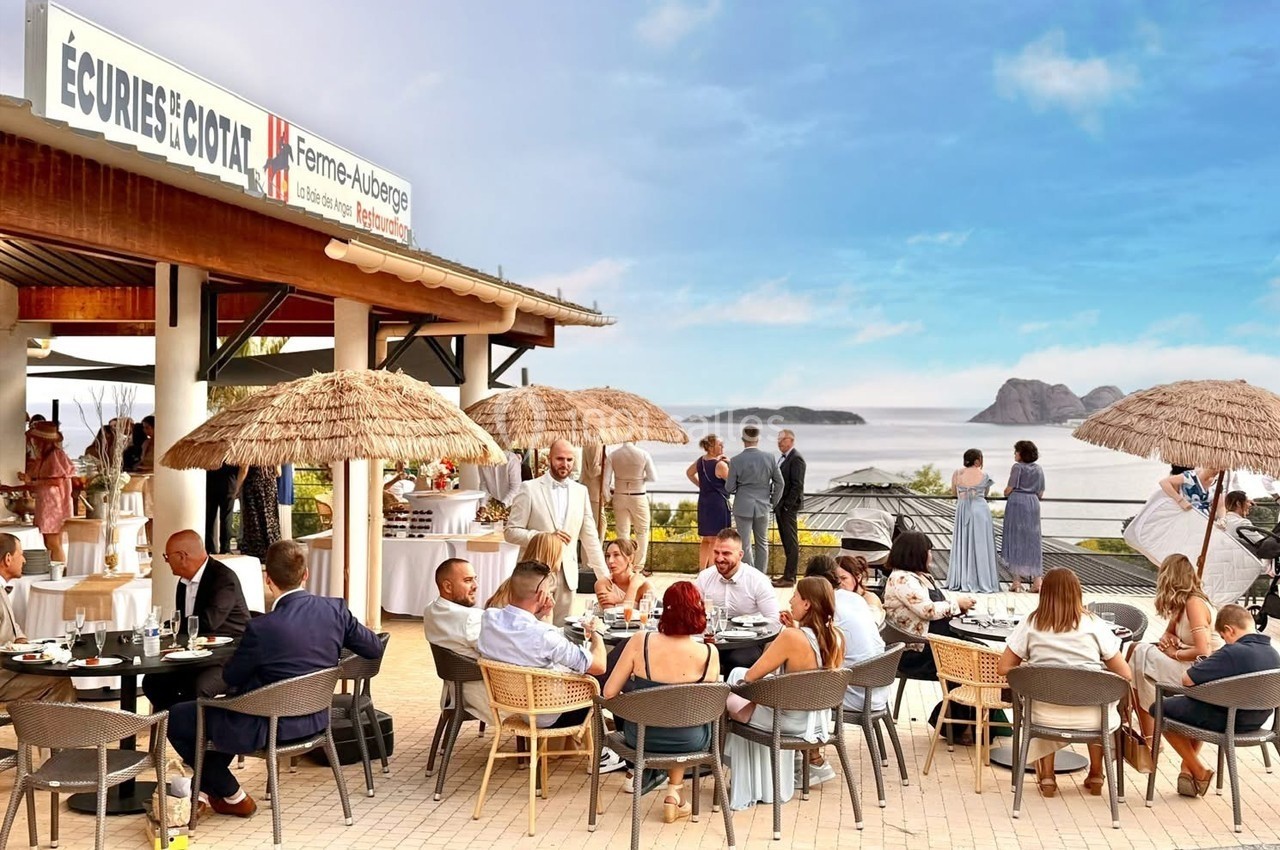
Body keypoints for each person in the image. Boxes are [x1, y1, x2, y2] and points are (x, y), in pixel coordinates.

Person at [167, 539, 383, 818]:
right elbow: (373, 648)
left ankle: (232, 794)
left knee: (180, 716)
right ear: (305, 574)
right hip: (316, 719)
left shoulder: (261, 628)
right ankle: (208, 790)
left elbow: (232, 676)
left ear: (268, 579)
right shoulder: (335, 610)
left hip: (269, 726)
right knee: (219, 717)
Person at [476, 560, 625, 774]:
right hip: (549, 714)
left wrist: (540, 615)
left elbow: (525, 633)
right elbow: (599, 665)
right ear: (541, 595)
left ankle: (610, 745)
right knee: (609, 675)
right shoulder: (544, 637)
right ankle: (604, 754)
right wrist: (597, 634)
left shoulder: (489, 619)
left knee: (596, 672)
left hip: (514, 706)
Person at [997, 568, 1132, 797]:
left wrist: (1034, 673)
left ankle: (1048, 777)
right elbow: (1125, 674)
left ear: (1044, 593)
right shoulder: (1094, 624)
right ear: (1077, 592)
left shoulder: (1031, 623)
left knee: (1038, 697)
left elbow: (1004, 668)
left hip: (1043, 716)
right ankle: (1097, 774)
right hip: (1092, 717)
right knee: (1101, 699)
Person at [723, 577, 844, 810]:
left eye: (795, 596)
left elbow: (751, 677)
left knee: (732, 682)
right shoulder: (836, 636)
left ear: (807, 604)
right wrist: (793, 630)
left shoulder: (791, 638)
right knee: (739, 676)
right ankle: (762, 782)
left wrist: (785, 635)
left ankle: (738, 776)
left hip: (785, 721)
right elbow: (810, 668)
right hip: (815, 721)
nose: (790, 601)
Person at [603, 581, 720, 811]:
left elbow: (608, 692)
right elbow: (705, 705)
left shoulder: (641, 641)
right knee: (680, 718)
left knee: (661, 718)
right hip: (691, 740)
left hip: (643, 737)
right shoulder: (709, 653)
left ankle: (660, 782)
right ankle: (674, 794)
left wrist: (636, 699)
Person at [1156, 604, 1280, 797]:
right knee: (1197, 707)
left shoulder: (1232, 652)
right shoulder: (1274, 654)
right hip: (1258, 720)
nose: (1225, 642)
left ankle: (1197, 769)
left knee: (1159, 708)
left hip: (1229, 720)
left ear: (1229, 630)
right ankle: (1187, 769)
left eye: (1223, 637)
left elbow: (1187, 680)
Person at [142, 530, 251, 711]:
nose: (166, 561)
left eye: (167, 556)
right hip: (197, 654)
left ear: (183, 556)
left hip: (228, 657)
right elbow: (186, 624)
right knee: (153, 681)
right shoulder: (183, 584)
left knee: (197, 687)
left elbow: (209, 622)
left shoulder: (223, 579)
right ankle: (180, 729)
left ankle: (194, 731)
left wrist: (173, 626)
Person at [504, 438, 607, 625]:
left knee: (562, 634)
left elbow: (590, 537)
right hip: (533, 575)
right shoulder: (529, 488)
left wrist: (604, 576)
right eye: (560, 459)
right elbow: (510, 532)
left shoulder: (580, 491)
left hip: (567, 576)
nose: (565, 464)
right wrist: (543, 537)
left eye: (569, 460)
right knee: (534, 633)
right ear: (549, 458)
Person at [803, 556, 887, 774]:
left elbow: (811, 651)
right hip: (876, 689)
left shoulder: (827, 606)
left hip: (855, 691)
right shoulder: (854, 599)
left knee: (798, 684)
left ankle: (812, 759)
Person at [1130, 553, 1222, 740]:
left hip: (1203, 671)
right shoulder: (1182, 603)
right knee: (1137, 662)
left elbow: (1203, 652)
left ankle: (1149, 734)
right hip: (1191, 665)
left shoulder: (1194, 604)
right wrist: (1167, 639)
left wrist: (1174, 653)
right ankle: (1150, 733)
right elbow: (1167, 633)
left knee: (1137, 654)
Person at [0, 534, 76, 703]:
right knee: (57, 681)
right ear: (7, 559)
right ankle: (58, 729)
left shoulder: (1, 588)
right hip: (3, 675)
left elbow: (10, 625)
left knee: (55, 671)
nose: (25, 561)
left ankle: (44, 727)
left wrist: (21, 639)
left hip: (10, 668)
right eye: (21, 555)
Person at [695, 528, 780, 670]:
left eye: (726, 553)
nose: (719, 558)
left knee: (736, 661)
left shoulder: (757, 580)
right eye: (716, 552)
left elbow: (774, 620)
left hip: (748, 642)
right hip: (712, 640)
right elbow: (690, 609)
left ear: (740, 555)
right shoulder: (705, 577)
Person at [423, 557, 493, 724]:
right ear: (447, 586)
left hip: (455, 692)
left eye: (475, 579)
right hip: (486, 697)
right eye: (468, 580)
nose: (475, 586)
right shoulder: (470, 618)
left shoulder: (431, 609)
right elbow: (501, 653)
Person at [725, 425, 783, 575]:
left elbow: (729, 488)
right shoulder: (769, 458)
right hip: (763, 506)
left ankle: (749, 575)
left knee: (744, 544)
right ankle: (761, 576)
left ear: (743, 439)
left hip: (743, 506)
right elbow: (780, 483)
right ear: (757, 439)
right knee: (762, 543)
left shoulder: (736, 460)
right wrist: (773, 501)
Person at [945, 448, 999, 594]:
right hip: (980, 510)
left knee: (963, 543)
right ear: (978, 460)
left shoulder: (957, 473)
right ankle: (982, 580)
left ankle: (962, 578)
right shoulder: (985, 475)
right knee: (981, 544)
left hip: (963, 510)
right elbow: (985, 493)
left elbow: (953, 492)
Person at [23, 421, 74, 563]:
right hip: (48, 504)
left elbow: (55, 481)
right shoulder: (46, 456)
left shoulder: (55, 455)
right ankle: (57, 569)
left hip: (53, 505)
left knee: (53, 542)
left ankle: (59, 569)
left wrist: (32, 482)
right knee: (49, 542)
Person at [603, 441, 657, 573]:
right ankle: (638, 567)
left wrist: (609, 498)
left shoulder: (613, 455)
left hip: (620, 496)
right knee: (642, 532)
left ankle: (623, 565)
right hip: (638, 496)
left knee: (622, 533)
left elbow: (605, 482)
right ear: (635, 440)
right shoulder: (643, 454)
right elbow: (653, 477)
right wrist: (641, 479)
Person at [1002, 440, 1045, 593]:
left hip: (1017, 504)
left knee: (1016, 540)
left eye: (1016, 451)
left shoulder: (1017, 467)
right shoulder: (1039, 469)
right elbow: (1040, 492)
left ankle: (1017, 582)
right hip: (1033, 504)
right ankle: (1037, 582)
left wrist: (1006, 493)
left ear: (1021, 454)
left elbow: (1009, 489)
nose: (1014, 454)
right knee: (1033, 541)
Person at [687, 434, 731, 568]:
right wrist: (729, 463)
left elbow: (689, 473)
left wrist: (701, 485)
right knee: (715, 539)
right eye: (720, 444)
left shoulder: (700, 461)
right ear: (711, 447)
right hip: (717, 503)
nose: (723, 447)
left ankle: (702, 570)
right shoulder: (720, 465)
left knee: (706, 539)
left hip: (704, 502)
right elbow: (732, 484)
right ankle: (712, 570)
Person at [773, 429, 807, 588]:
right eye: (778, 440)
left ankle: (790, 577)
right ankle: (787, 575)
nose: (779, 442)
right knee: (787, 542)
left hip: (788, 507)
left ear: (791, 441)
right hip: (781, 506)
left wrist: (787, 506)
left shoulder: (796, 459)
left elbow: (797, 485)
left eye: (782, 439)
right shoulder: (784, 458)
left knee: (791, 542)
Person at [234, 465, 281, 561]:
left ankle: (256, 550)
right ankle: (272, 549)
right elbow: (278, 472)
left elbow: (244, 469)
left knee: (254, 518)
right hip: (270, 485)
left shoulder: (252, 450)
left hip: (253, 484)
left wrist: (236, 489)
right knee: (270, 518)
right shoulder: (273, 451)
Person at [594, 538, 652, 610]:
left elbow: (646, 617)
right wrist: (632, 589)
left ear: (630, 558)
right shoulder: (603, 584)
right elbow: (611, 616)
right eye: (608, 556)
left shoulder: (644, 586)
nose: (610, 561)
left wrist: (633, 586)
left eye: (616, 555)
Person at [835, 554, 885, 624]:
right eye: (835, 579)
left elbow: (871, 625)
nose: (839, 583)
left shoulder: (870, 599)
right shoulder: (836, 597)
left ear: (858, 577)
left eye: (844, 578)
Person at [204, 463, 239, 555]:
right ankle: (225, 548)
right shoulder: (233, 451)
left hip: (211, 482)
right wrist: (237, 486)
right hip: (229, 483)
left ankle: (210, 547)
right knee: (226, 517)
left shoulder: (210, 451)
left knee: (209, 517)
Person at [1159, 466, 1223, 515]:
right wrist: (1180, 500)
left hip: (1205, 520)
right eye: (1214, 468)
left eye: (1219, 468)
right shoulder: (1190, 476)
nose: (1217, 471)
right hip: (1186, 517)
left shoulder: (1216, 483)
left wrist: (1222, 519)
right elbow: (1164, 482)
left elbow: (1220, 506)